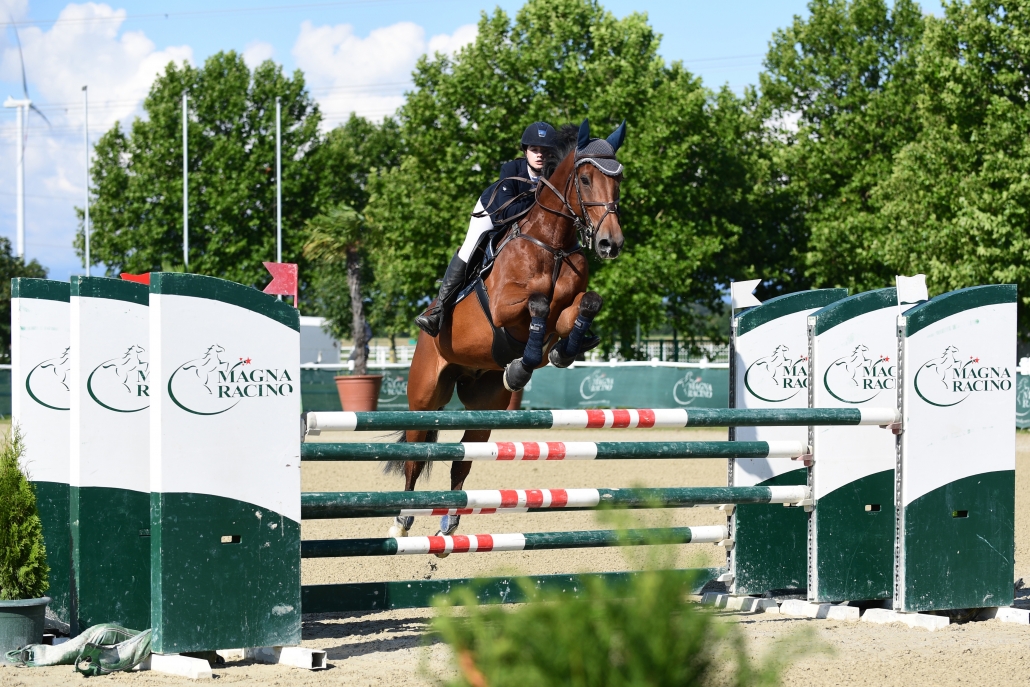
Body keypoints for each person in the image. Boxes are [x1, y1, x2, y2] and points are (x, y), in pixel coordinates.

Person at [415, 121, 559, 336]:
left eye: (545, 151)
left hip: (528, 225)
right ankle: (438, 311)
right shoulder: (511, 169)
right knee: (469, 248)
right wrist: (540, 203)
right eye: (534, 149)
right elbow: (507, 213)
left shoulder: (555, 175)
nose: (540, 155)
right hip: (492, 213)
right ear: (525, 151)